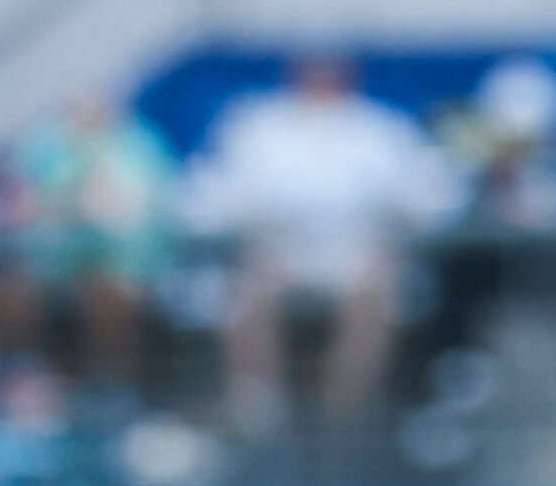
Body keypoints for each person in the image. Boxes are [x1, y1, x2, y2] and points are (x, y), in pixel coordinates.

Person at [192, 54, 457, 430]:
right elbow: (216, 198)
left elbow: (429, 199)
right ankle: (260, 417)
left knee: (377, 295)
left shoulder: (381, 128)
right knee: (245, 294)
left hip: (357, 258)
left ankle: (341, 416)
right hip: (273, 255)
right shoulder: (256, 125)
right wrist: (256, 246)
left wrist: (386, 248)